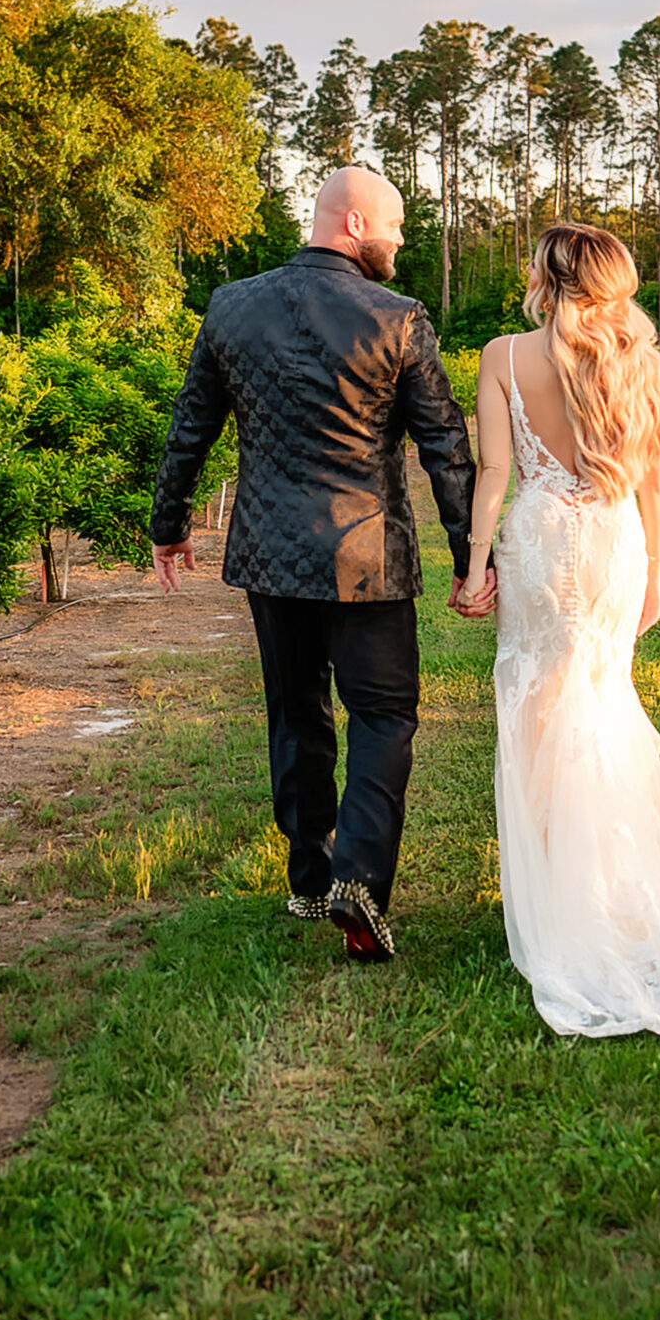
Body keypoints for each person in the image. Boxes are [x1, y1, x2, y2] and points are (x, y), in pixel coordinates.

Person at [150, 166, 478, 961]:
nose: (402, 241)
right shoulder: (397, 318)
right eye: (396, 226)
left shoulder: (232, 305)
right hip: (365, 556)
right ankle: (359, 878)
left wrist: (169, 523)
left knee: (296, 711)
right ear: (357, 223)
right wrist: (474, 555)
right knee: (383, 716)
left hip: (268, 552)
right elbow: (445, 447)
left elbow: (192, 422)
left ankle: (309, 875)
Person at [460, 223, 660, 1036]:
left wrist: (474, 560)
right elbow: (655, 476)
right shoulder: (638, 359)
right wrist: (657, 569)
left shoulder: (502, 356)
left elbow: (494, 472)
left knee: (535, 709)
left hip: (539, 536)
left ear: (547, 276)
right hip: (612, 539)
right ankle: (615, 898)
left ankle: (559, 903)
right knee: (600, 705)